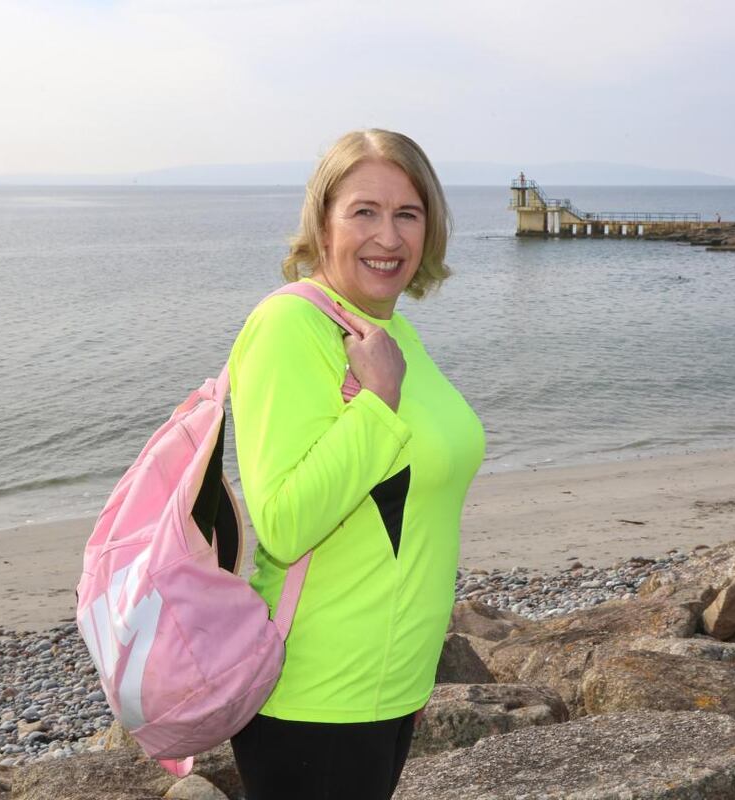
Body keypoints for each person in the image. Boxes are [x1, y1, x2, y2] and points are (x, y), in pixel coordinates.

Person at [227, 129, 485, 800]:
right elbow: (283, 522)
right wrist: (376, 403)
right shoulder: (289, 328)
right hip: (315, 696)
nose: (388, 237)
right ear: (323, 222)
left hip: (390, 685)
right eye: (364, 211)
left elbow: (415, 520)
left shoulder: (393, 333)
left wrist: (416, 672)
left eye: (408, 213)